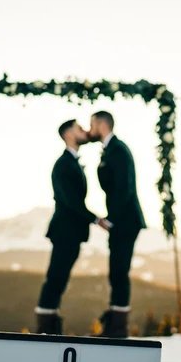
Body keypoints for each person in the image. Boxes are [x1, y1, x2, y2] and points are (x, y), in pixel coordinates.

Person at [35, 119, 109, 334]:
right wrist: (96, 219)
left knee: (60, 278)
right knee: (56, 277)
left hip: (72, 232)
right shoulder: (63, 164)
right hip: (65, 231)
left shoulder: (71, 162)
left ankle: (49, 320)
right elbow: (70, 201)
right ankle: (46, 325)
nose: (85, 131)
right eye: (79, 128)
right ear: (68, 134)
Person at [89, 110, 146, 338]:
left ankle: (118, 327)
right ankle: (114, 322)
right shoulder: (110, 150)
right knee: (116, 272)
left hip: (125, 220)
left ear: (102, 125)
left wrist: (112, 218)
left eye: (91, 124)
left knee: (120, 272)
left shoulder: (119, 150)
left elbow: (125, 187)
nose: (90, 129)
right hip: (120, 221)